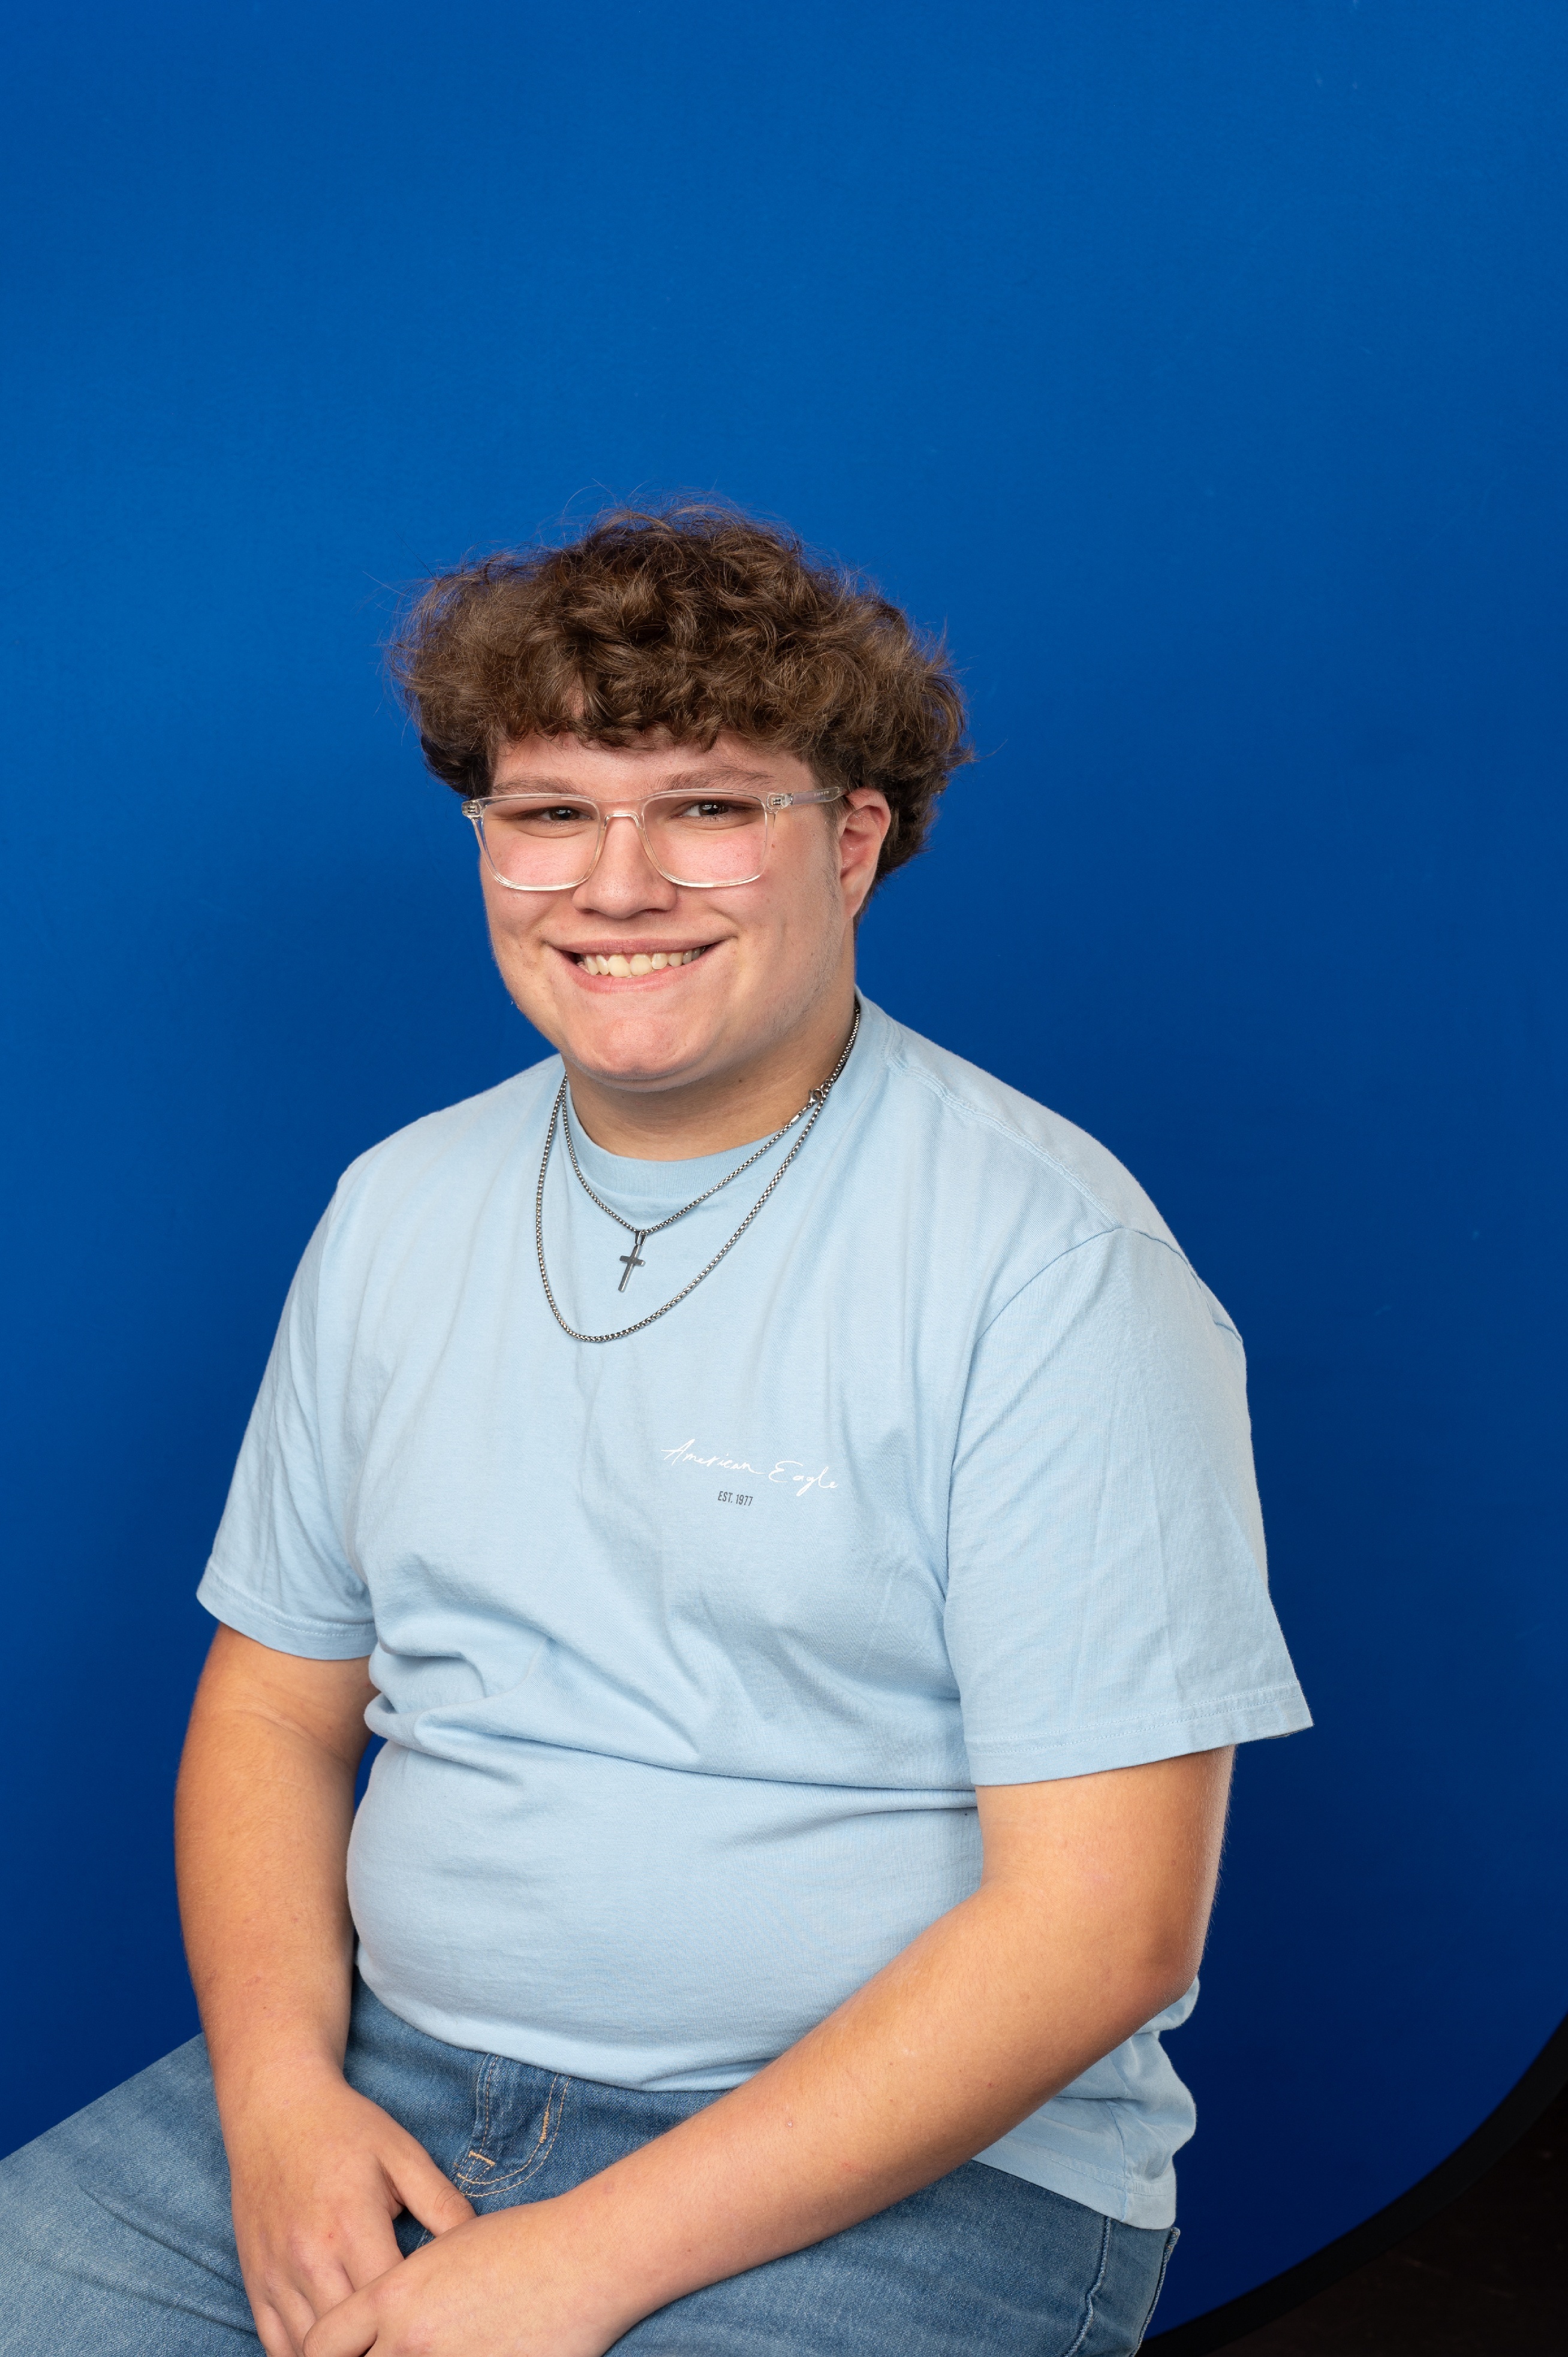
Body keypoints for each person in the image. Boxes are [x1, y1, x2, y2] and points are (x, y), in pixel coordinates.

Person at [0, 507, 1310, 2357]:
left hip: (916, 2174)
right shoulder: (397, 1205)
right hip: (388, 2081)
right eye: (550, 811)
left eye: (705, 806)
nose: (614, 884)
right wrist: (280, 2103)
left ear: (852, 841)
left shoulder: (1054, 1263)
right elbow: (276, 1711)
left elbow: (1105, 1929)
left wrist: (580, 2260)